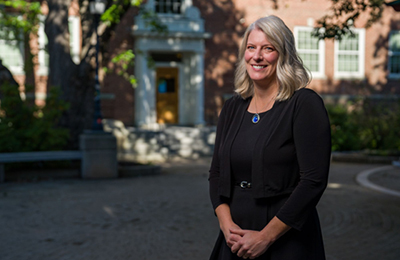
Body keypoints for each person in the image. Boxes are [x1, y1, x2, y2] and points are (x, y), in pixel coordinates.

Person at [208, 15, 331, 260]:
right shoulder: (233, 108)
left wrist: (266, 236)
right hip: (235, 236)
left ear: (283, 54)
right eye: (251, 47)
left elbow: (313, 181)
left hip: (286, 236)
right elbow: (216, 173)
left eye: (268, 48)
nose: (257, 56)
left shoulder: (304, 104)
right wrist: (225, 223)